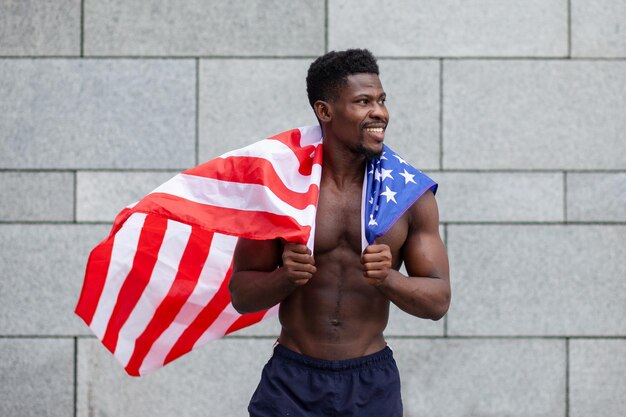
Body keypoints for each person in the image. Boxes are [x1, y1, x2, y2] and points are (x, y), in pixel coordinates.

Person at [229, 49, 450, 417]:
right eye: (363, 102)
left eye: (381, 100)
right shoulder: (282, 192)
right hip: (292, 380)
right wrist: (286, 278)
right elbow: (241, 295)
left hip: (370, 381)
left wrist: (389, 279)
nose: (379, 112)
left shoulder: (411, 196)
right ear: (325, 111)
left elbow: (438, 301)